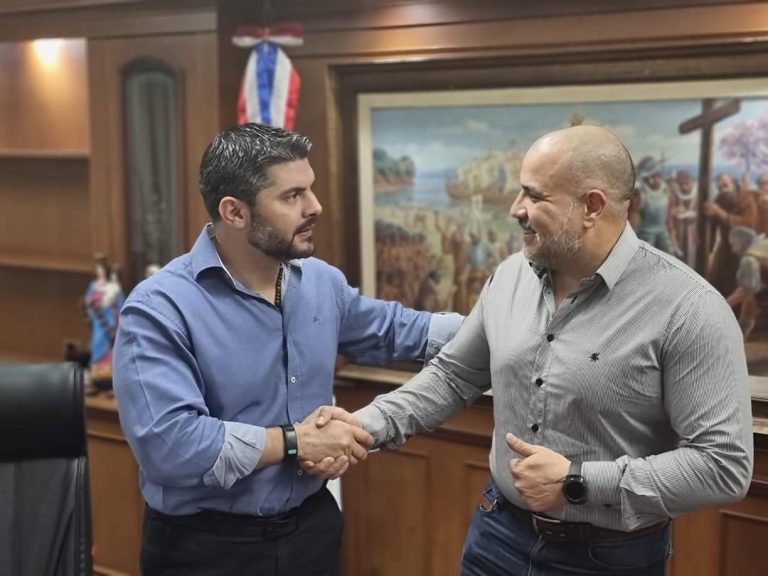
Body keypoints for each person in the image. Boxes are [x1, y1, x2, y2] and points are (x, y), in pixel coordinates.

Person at [321, 125, 754, 575]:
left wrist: (577, 482)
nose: (515, 208)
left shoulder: (690, 309)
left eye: (534, 195)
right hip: (496, 533)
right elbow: (453, 376)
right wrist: (364, 425)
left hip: (609, 559)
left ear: (592, 207)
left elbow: (722, 465)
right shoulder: (510, 275)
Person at [112, 123, 461, 576]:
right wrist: (295, 441)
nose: (315, 206)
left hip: (311, 533)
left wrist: (502, 324)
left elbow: (400, 330)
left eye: (310, 189)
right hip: (206, 549)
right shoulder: (159, 308)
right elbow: (170, 445)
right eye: (293, 196)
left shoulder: (321, 282)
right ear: (235, 212)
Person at [705, 172, 757, 296]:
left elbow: (747, 225)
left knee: (740, 283)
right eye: (720, 188)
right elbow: (713, 221)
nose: (723, 190)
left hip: (744, 249)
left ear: (734, 184)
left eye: (726, 185)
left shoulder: (747, 199)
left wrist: (720, 213)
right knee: (716, 279)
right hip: (726, 246)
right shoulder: (721, 198)